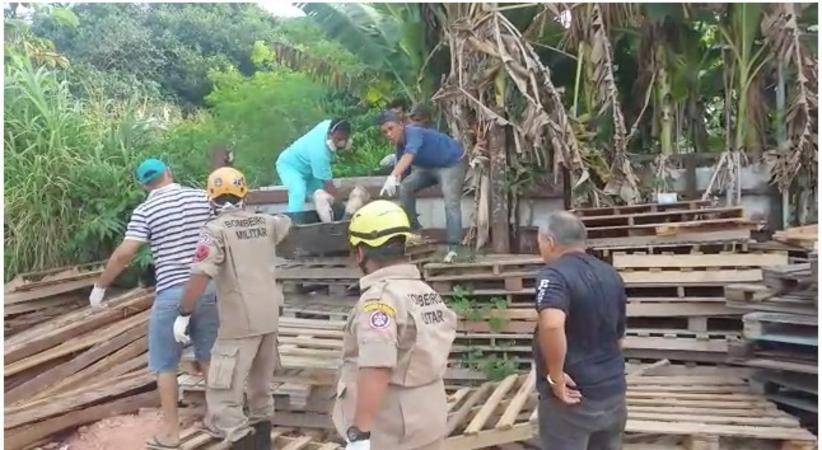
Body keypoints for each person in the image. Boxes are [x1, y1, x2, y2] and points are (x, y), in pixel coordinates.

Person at [89, 158, 219, 449]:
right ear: (169, 173)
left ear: (143, 185)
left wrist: (100, 287)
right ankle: (218, 420)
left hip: (172, 293)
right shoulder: (202, 198)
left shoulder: (146, 210)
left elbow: (124, 254)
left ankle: (171, 434)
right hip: (207, 287)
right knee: (209, 356)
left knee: (165, 364)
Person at [174, 167, 292, 450]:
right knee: (261, 391)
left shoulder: (214, 231)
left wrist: (184, 313)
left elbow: (201, 274)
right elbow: (286, 225)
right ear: (245, 195)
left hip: (238, 323)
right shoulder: (267, 223)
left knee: (222, 397)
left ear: (210, 198)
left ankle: (244, 443)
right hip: (269, 318)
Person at [333, 200, 457, 450]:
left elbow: (377, 365)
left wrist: (360, 434)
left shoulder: (380, 300)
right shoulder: (424, 292)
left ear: (360, 252)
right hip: (428, 417)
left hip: (391, 429)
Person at [532, 211, 627, 450]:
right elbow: (618, 337)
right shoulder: (611, 274)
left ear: (550, 242)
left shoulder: (554, 275)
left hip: (573, 400)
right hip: (612, 394)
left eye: (539, 242)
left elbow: (552, 324)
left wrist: (555, 377)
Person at [376, 111, 466, 262]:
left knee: (451, 201)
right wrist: (397, 184)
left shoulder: (413, 133)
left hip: (451, 163)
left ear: (401, 125)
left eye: (391, 128)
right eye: (385, 132)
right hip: (428, 168)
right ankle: (415, 233)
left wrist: (392, 176)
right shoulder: (399, 146)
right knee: (406, 187)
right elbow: (404, 171)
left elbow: (409, 155)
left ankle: (455, 248)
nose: (389, 134)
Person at [275, 118, 352, 220]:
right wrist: (341, 206)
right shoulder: (320, 153)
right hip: (290, 166)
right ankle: (294, 222)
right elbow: (328, 184)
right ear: (329, 134)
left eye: (344, 139)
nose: (341, 143)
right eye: (338, 139)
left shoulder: (331, 124)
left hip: (310, 171)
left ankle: (326, 220)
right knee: (298, 191)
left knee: (320, 194)